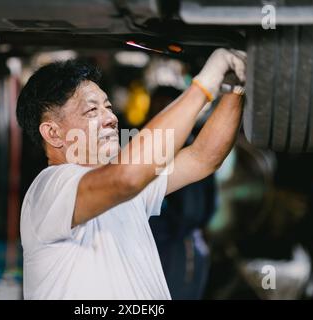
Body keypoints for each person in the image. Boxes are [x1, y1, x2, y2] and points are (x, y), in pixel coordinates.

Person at [16, 48, 246, 299]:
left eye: (108, 107)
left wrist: (234, 89)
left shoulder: (123, 186)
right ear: (53, 133)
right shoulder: (50, 189)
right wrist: (203, 87)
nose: (111, 119)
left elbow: (203, 158)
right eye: (92, 111)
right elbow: (126, 177)